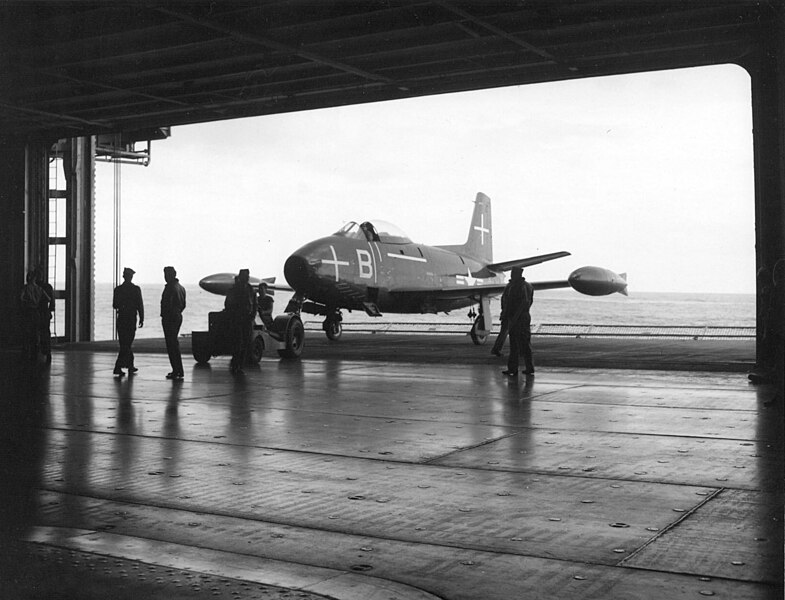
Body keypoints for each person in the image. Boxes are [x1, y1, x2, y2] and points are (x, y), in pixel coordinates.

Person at [501, 267, 534, 377]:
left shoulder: (522, 286)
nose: (511, 275)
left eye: (513, 273)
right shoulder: (520, 286)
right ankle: (520, 368)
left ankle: (519, 368)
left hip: (520, 318)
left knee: (520, 344)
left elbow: (524, 302)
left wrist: (514, 317)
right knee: (518, 344)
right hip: (518, 317)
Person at [112, 267, 144, 377]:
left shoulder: (118, 289)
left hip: (121, 318)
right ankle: (118, 366)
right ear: (131, 277)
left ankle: (129, 365)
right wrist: (142, 318)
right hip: (131, 318)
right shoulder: (136, 289)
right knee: (127, 343)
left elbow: (115, 305)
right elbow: (140, 305)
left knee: (124, 343)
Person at [224, 269, 257, 374]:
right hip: (237, 320)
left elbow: (255, 304)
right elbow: (228, 304)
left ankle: (240, 366)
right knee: (237, 343)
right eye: (245, 276)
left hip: (247, 320)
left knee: (245, 344)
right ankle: (235, 365)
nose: (247, 278)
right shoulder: (234, 290)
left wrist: (252, 316)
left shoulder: (250, 289)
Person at [161, 266, 186, 380]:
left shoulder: (170, 288)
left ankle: (176, 370)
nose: (165, 277)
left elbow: (167, 304)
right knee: (174, 344)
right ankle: (179, 369)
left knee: (171, 345)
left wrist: (167, 315)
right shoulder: (181, 288)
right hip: (178, 316)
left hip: (170, 318)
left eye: (166, 274)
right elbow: (183, 305)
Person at [20, 270, 48, 361]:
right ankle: (35, 351)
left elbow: (21, 298)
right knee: (35, 332)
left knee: (27, 332)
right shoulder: (39, 289)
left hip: (28, 312)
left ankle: (27, 351)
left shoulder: (26, 288)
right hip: (36, 312)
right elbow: (48, 298)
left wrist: (27, 302)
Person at [36, 266, 55, 364]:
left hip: (36, 311)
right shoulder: (47, 287)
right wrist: (51, 311)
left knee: (35, 332)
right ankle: (47, 352)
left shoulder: (34, 287)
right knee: (46, 333)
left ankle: (36, 352)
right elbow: (52, 300)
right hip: (44, 312)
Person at [490, 291, 509, 357]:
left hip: (506, 314)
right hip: (509, 315)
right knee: (504, 332)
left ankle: (496, 348)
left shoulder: (508, 289)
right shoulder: (514, 288)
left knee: (503, 332)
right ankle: (496, 349)